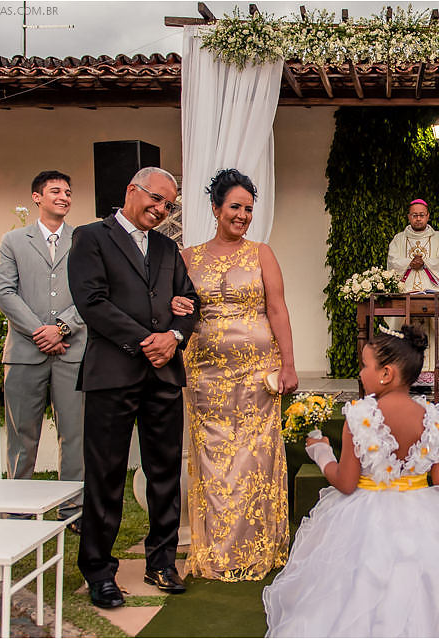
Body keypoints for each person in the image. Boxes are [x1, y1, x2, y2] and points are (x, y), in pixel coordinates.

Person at [263, 324, 439, 637]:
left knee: (361, 589)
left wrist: (322, 455)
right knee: (426, 591)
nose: (361, 373)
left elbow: (347, 483)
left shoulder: (360, 416)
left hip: (365, 517)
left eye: (365, 366)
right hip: (424, 511)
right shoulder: (432, 416)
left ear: (386, 373)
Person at [68, 166, 200, 609]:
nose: (161, 210)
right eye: (156, 199)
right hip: (113, 373)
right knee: (105, 476)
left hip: (164, 375)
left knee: (164, 472)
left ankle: (161, 562)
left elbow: (189, 300)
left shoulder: (167, 247)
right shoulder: (91, 237)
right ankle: (99, 572)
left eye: (169, 205)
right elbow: (92, 302)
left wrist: (176, 335)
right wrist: (149, 341)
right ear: (132, 190)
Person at [177, 168, 297, 582]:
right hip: (206, 374)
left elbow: (277, 309)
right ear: (215, 208)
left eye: (248, 208)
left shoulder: (262, 253)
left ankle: (258, 545)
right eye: (235, 207)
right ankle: (218, 550)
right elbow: (175, 306)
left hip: (257, 374)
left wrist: (289, 364)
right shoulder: (187, 257)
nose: (243, 215)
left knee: (254, 459)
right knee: (213, 460)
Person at [0, 170, 86, 528]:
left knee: (75, 433)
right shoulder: (14, 240)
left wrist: (62, 327)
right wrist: (39, 332)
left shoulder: (82, 241)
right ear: (37, 197)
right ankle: (17, 508)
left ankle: (74, 509)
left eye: (68, 191)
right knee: (22, 434)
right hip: (24, 354)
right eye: (55, 191)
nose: (63, 196)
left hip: (72, 351)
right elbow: (5, 292)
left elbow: (91, 292)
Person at [386, 198, 439, 381]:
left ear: (428, 216)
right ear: (409, 216)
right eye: (414, 215)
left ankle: (432, 374)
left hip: (431, 290)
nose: (418, 219)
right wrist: (409, 262)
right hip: (405, 290)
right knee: (401, 327)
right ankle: (404, 372)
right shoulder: (399, 239)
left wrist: (425, 262)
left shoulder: (438, 238)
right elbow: (392, 261)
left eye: (421, 215)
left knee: (435, 327)